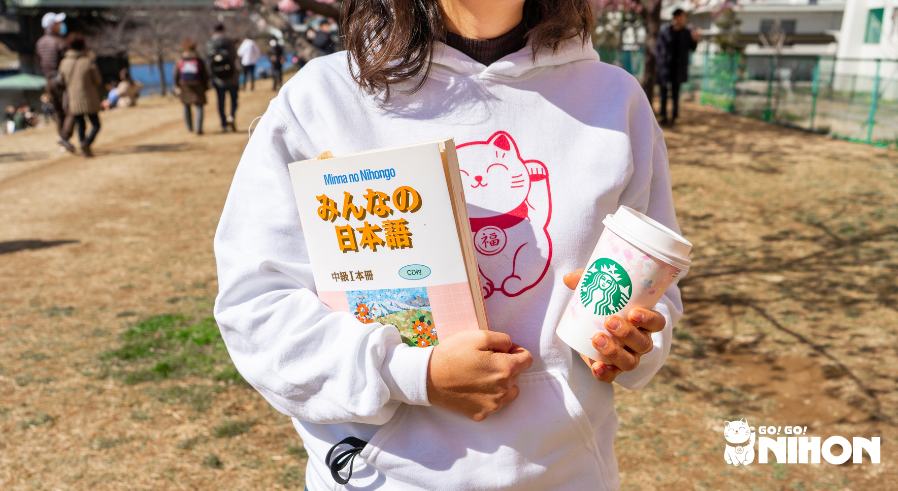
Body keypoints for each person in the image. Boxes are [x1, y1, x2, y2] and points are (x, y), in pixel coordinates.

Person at [214, 1, 683, 489]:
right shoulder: (325, 98)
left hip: (566, 473)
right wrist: (417, 374)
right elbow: (258, 307)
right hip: (381, 476)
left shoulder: (613, 100)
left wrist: (634, 341)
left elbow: (659, 289)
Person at [35, 11, 75, 152]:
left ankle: (62, 138)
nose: (62, 25)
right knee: (72, 110)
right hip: (60, 81)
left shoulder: (39, 43)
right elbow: (67, 63)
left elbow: (40, 61)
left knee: (58, 112)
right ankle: (65, 137)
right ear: (52, 26)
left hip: (48, 81)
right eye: (59, 23)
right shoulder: (60, 42)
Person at [57, 33, 102, 157]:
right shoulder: (88, 61)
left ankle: (83, 146)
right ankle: (87, 142)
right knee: (96, 124)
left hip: (74, 99)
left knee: (80, 125)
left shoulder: (64, 62)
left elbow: (60, 81)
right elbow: (98, 79)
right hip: (90, 99)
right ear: (83, 45)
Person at [655, 8, 700, 125]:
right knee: (663, 94)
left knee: (675, 94)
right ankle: (663, 116)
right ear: (675, 17)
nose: (683, 19)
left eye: (684, 17)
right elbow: (657, 49)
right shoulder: (665, 32)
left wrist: (695, 40)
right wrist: (661, 61)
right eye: (681, 16)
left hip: (678, 69)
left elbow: (692, 48)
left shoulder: (686, 33)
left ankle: (674, 117)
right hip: (665, 68)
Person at [206, 22, 239, 133]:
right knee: (234, 100)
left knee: (221, 102)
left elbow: (209, 61)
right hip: (232, 76)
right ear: (223, 30)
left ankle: (224, 125)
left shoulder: (210, 43)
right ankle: (232, 116)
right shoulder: (229, 41)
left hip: (218, 78)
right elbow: (234, 57)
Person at [174, 39, 210, 135]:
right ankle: (198, 128)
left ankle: (189, 127)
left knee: (186, 105)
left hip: (184, 85)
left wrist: (177, 85)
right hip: (198, 84)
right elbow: (205, 74)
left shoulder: (180, 59)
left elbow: (176, 74)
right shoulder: (198, 59)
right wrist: (206, 85)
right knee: (199, 106)